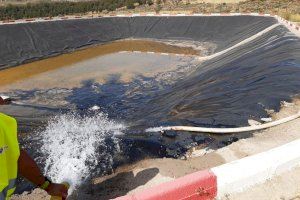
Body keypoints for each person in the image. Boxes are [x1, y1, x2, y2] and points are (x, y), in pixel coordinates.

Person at [0, 96, 68, 199]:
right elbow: (21, 160)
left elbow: (20, 159)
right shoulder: (5, 124)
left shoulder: (6, 124)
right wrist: (49, 186)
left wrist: (48, 186)